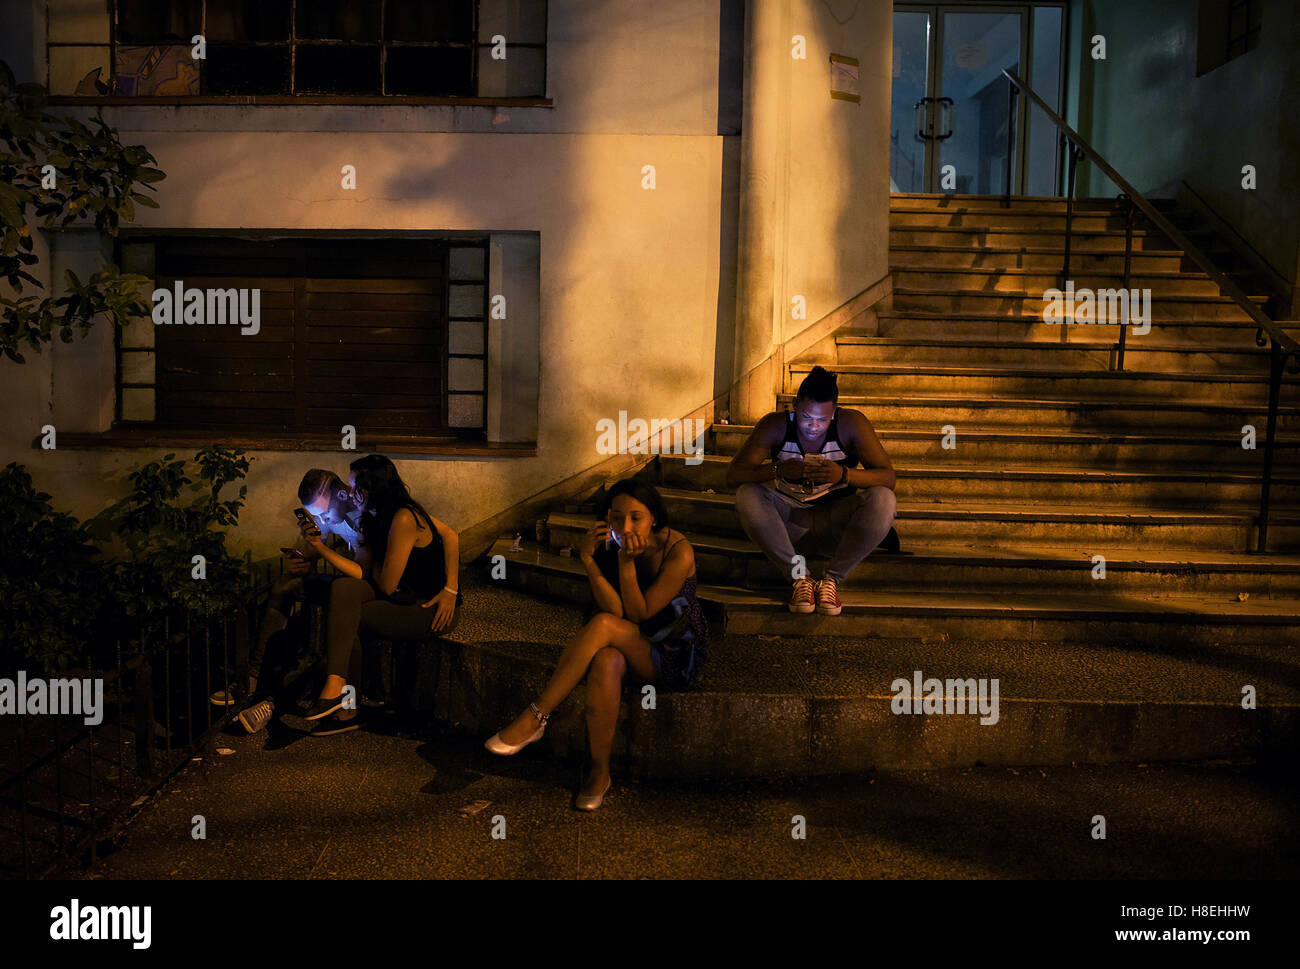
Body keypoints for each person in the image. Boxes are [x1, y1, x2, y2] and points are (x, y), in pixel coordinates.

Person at [485, 479, 707, 811]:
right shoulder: (607, 542)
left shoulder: (678, 552)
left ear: (655, 519)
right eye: (616, 517)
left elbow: (638, 615)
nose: (625, 527)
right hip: (628, 642)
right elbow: (616, 611)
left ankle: (537, 715)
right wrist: (589, 562)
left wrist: (626, 565)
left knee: (603, 627)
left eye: (636, 517)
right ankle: (599, 773)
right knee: (605, 660)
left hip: (671, 653)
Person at [302, 454, 463, 736]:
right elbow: (367, 573)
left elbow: (385, 583)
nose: (349, 493)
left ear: (372, 487)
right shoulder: (375, 515)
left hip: (427, 607)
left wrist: (451, 590)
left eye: (355, 487)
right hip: (402, 597)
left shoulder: (403, 517)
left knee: (349, 614)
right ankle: (336, 686)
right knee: (343, 589)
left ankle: (348, 707)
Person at [725, 365, 897, 616]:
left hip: (835, 520)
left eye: (823, 420)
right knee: (747, 494)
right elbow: (734, 476)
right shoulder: (775, 425)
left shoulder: (851, 424)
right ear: (794, 405)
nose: (813, 427)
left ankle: (831, 582)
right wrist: (778, 470)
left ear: (835, 412)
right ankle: (800, 579)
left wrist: (845, 475)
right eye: (806, 417)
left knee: (884, 498)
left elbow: (888, 477)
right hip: (789, 522)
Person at [211, 469, 363, 734]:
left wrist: (321, 550)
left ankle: (340, 703)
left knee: (344, 612)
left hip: (367, 587)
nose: (323, 519)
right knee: (285, 585)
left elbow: (364, 573)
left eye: (325, 513)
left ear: (339, 496)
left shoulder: (364, 514)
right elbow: (316, 550)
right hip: (346, 584)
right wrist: (306, 556)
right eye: (317, 515)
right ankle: (253, 677)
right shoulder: (329, 513)